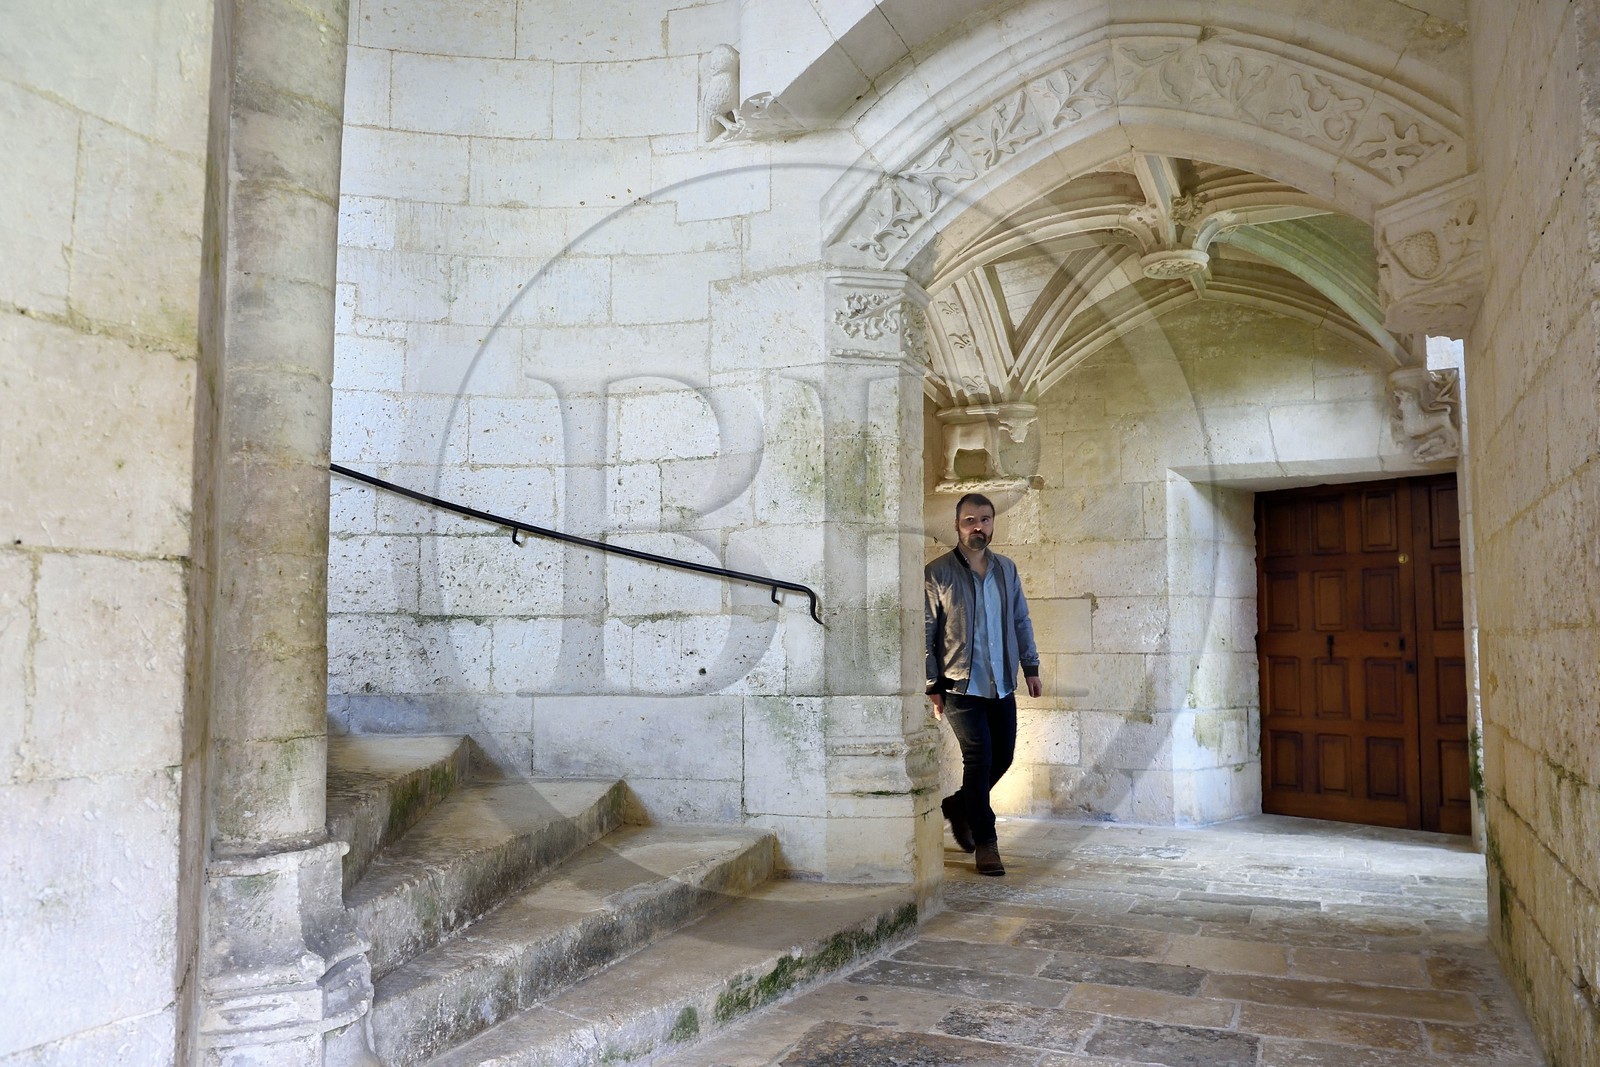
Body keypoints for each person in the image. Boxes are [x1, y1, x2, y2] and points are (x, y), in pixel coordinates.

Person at [925, 492, 1042, 876]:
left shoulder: (1006, 569)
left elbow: (1021, 620)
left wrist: (1031, 666)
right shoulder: (938, 572)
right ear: (957, 526)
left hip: (1002, 683)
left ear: (993, 523)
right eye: (970, 520)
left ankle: (959, 805)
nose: (979, 527)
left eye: (986, 520)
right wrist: (932, 685)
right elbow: (927, 631)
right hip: (960, 685)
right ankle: (986, 842)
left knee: (1003, 757)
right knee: (979, 761)